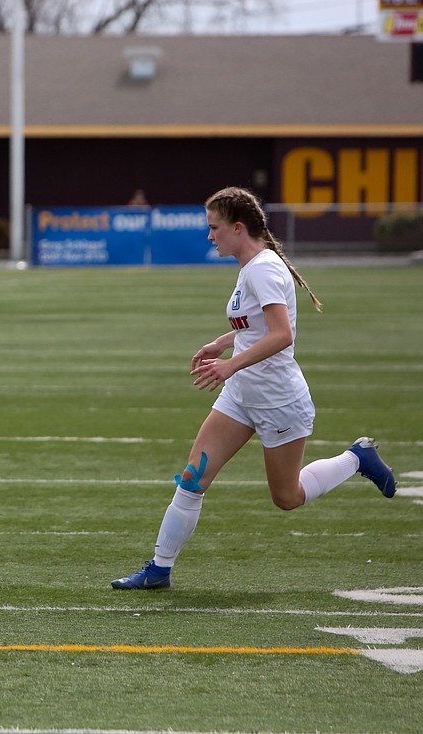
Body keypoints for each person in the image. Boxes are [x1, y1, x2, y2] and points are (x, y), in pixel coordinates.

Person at [111, 186, 397, 591]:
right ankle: (158, 570)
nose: (209, 236)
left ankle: (357, 457)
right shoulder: (253, 266)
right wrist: (221, 342)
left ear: (238, 227)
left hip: (278, 400)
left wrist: (229, 365)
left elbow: (281, 335)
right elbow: (254, 325)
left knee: (287, 497)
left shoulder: (262, 268)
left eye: (214, 228)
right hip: (242, 396)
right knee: (193, 478)